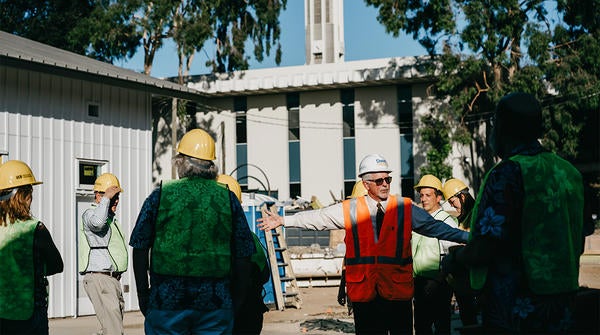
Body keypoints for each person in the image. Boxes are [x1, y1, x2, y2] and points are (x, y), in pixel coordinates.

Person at [258, 154, 469, 335]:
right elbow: (318, 218)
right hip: (366, 295)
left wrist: (468, 237)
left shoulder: (404, 207)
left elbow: (437, 228)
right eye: (379, 180)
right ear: (366, 183)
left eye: (388, 179)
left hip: (397, 294)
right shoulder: (351, 208)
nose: (385, 183)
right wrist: (285, 220)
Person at [441, 92, 587, 333]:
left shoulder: (507, 174)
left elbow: (484, 249)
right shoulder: (569, 172)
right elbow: (578, 240)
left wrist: (454, 260)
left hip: (517, 310)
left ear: (503, 128)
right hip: (563, 306)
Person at [130, 128, 255, 335]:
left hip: (166, 302)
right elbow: (244, 254)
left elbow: (140, 247)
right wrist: (236, 299)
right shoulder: (227, 198)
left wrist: (144, 295)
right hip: (215, 303)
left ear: (181, 162)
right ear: (211, 166)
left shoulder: (161, 195)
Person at [0, 160, 63, 335]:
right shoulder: (35, 228)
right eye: (29, 191)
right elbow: (57, 265)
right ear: (22, 195)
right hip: (29, 314)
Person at [216, 174, 270, 335]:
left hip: (214, 313)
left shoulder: (200, 238)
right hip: (247, 311)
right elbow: (264, 273)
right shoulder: (248, 237)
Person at [80, 173, 128, 335]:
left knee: (109, 329)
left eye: (117, 197)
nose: (116, 200)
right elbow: (97, 224)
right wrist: (107, 198)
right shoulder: (90, 214)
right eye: (113, 196)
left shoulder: (109, 218)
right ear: (98, 196)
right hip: (101, 278)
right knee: (114, 331)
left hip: (111, 279)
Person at [412, 174, 460, 334]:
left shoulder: (445, 221)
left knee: (441, 327)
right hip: (420, 281)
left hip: (438, 282)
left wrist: (440, 278)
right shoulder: (421, 220)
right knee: (421, 327)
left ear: (438, 197)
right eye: (421, 195)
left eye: (428, 195)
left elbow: (452, 253)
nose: (423, 199)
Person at [441, 178, 479, 328]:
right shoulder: (463, 217)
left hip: (473, 273)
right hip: (463, 274)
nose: (451, 205)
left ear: (462, 196)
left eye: (451, 201)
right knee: (467, 315)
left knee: (471, 317)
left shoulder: (475, 214)